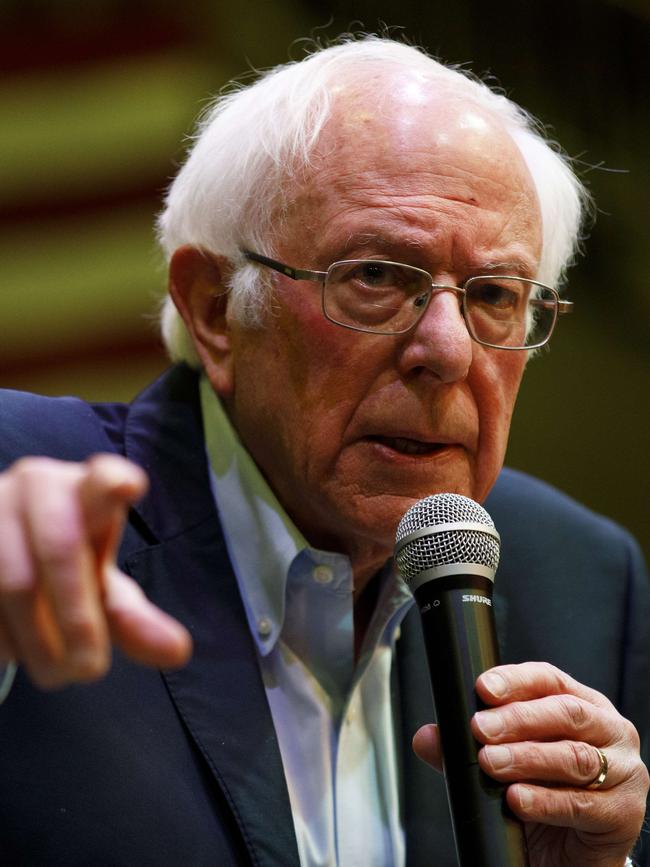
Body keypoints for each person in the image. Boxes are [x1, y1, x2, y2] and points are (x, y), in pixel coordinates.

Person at [0, 36, 648, 867]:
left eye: (493, 295)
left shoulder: (583, 579)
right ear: (214, 307)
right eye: (376, 276)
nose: (447, 350)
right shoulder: (26, 497)